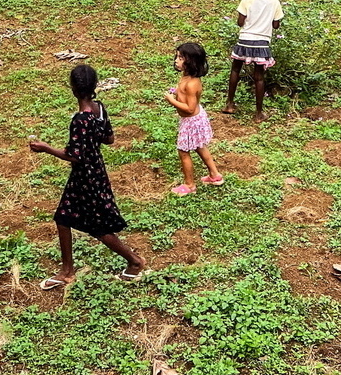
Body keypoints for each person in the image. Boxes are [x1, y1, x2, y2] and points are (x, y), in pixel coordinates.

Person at [29, 64, 146, 289]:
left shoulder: (80, 120)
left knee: (98, 227)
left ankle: (135, 262)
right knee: (63, 217)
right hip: (96, 171)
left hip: (85, 177)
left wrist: (45, 148)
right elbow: (109, 139)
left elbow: (74, 156)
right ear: (94, 86)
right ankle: (67, 272)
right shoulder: (99, 109)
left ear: (73, 89)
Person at [223, 0, 284, 121]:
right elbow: (276, 25)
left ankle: (229, 104)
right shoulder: (274, 2)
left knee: (235, 70)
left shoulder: (246, 0)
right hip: (262, 43)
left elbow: (240, 22)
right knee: (259, 77)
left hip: (244, 39)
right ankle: (258, 113)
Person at [164, 41, 222, 195]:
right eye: (177, 57)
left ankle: (189, 185)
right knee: (199, 146)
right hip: (195, 119)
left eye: (181, 58)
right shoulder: (186, 77)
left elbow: (189, 109)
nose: (176, 60)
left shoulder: (192, 84)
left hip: (191, 121)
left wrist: (172, 100)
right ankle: (215, 175)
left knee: (183, 151)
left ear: (191, 62)